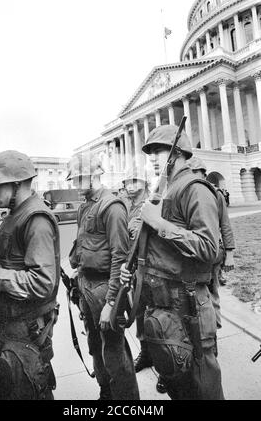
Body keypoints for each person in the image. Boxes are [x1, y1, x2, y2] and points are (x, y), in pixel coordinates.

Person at [120, 125, 224, 400]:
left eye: (158, 150)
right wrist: (134, 271)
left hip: (189, 307)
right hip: (164, 306)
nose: (152, 157)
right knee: (179, 387)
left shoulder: (195, 189)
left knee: (202, 388)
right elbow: (160, 250)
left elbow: (209, 248)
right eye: (150, 152)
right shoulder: (165, 190)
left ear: (178, 151)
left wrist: (159, 222)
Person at [0, 150, 60, 400]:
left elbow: (42, 284)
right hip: (7, 331)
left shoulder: (35, 219)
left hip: (24, 334)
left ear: (17, 183)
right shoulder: (13, 217)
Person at [67, 152, 139, 401]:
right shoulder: (86, 206)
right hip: (87, 285)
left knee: (115, 353)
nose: (75, 185)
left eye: (79, 179)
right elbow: (84, 244)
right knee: (95, 347)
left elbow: (121, 257)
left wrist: (111, 303)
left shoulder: (112, 207)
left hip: (105, 287)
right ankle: (106, 394)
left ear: (95, 174)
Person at [122, 166, 166, 394]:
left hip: (154, 271)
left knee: (158, 320)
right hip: (135, 272)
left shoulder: (153, 205)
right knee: (139, 315)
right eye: (127, 182)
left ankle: (165, 369)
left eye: (134, 182)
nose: (129, 186)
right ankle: (146, 354)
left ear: (145, 183)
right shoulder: (128, 208)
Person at [187, 156, 236, 328]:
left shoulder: (215, 194)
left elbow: (225, 225)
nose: (192, 176)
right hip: (193, 253)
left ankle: (212, 334)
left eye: (196, 172)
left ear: (204, 174)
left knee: (212, 294)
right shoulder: (187, 194)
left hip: (213, 253)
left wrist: (229, 255)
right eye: (189, 172)